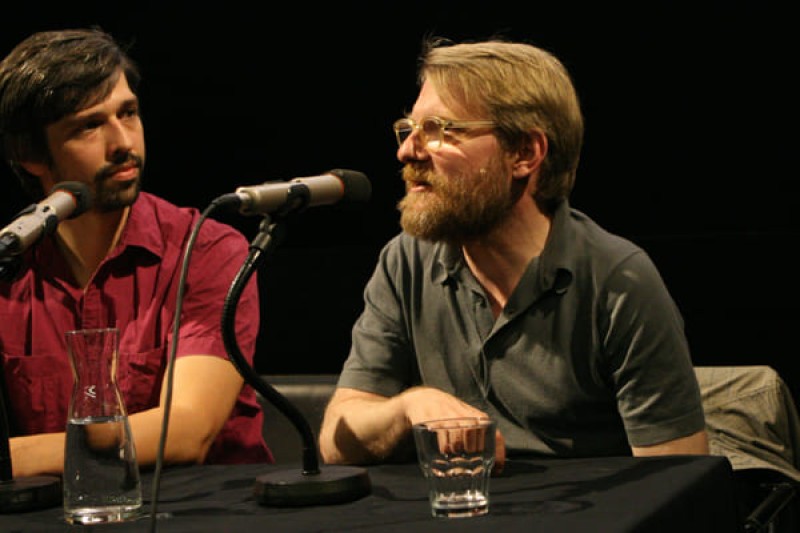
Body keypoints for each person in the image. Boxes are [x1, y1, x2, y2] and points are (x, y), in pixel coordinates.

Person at [318, 37, 709, 471]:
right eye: (409, 129)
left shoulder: (617, 281)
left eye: (439, 130)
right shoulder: (405, 262)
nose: (407, 150)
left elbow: (679, 483)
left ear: (524, 153)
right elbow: (337, 439)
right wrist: (410, 406)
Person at [0, 28, 272, 478]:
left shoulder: (205, 249)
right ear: (31, 155)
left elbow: (187, 431)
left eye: (128, 114)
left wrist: (12, 460)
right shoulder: (10, 267)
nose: (123, 142)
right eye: (90, 126)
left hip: (207, 515)